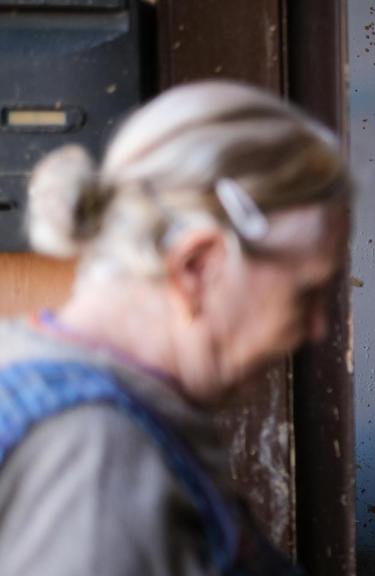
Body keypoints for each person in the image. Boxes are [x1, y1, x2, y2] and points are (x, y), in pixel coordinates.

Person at [0, 81, 351, 575]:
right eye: (306, 294)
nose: (317, 327)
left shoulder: (26, 357)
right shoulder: (95, 462)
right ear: (198, 268)